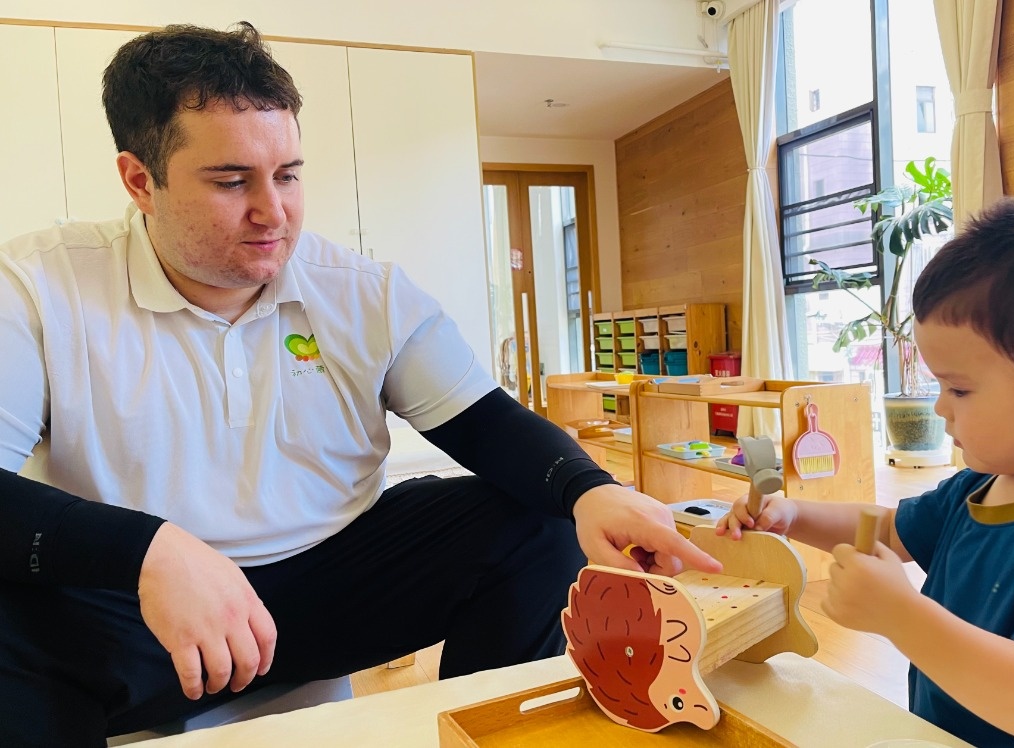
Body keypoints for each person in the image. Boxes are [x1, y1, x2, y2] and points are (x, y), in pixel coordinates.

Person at [0, 22, 720, 746]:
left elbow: (485, 423)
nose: (273, 212)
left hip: (331, 589)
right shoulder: (38, 286)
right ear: (139, 181)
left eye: (288, 175)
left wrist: (590, 489)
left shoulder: (360, 290)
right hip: (142, 613)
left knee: (539, 521)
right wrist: (147, 551)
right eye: (231, 181)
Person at [717, 194, 1014, 747]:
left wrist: (901, 614)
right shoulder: (985, 485)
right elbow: (889, 530)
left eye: (959, 389)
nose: (940, 407)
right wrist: (793, 515)